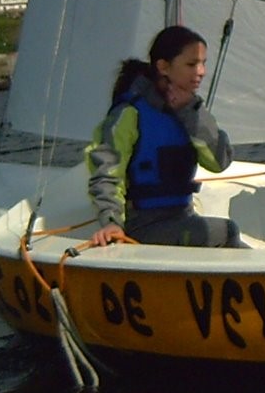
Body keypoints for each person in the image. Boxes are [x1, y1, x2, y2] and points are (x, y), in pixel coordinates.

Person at [86, 25, 242, 248]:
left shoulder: (191, 111)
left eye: (203, 63)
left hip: (182, 218)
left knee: (222, 233)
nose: (201, 72)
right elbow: (107, 174)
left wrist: (190, 111)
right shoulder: (130, 113)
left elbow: (219, 163)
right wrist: (111, 222)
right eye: (191, 64)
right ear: (163, 67)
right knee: (225, 232)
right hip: (143, 226)